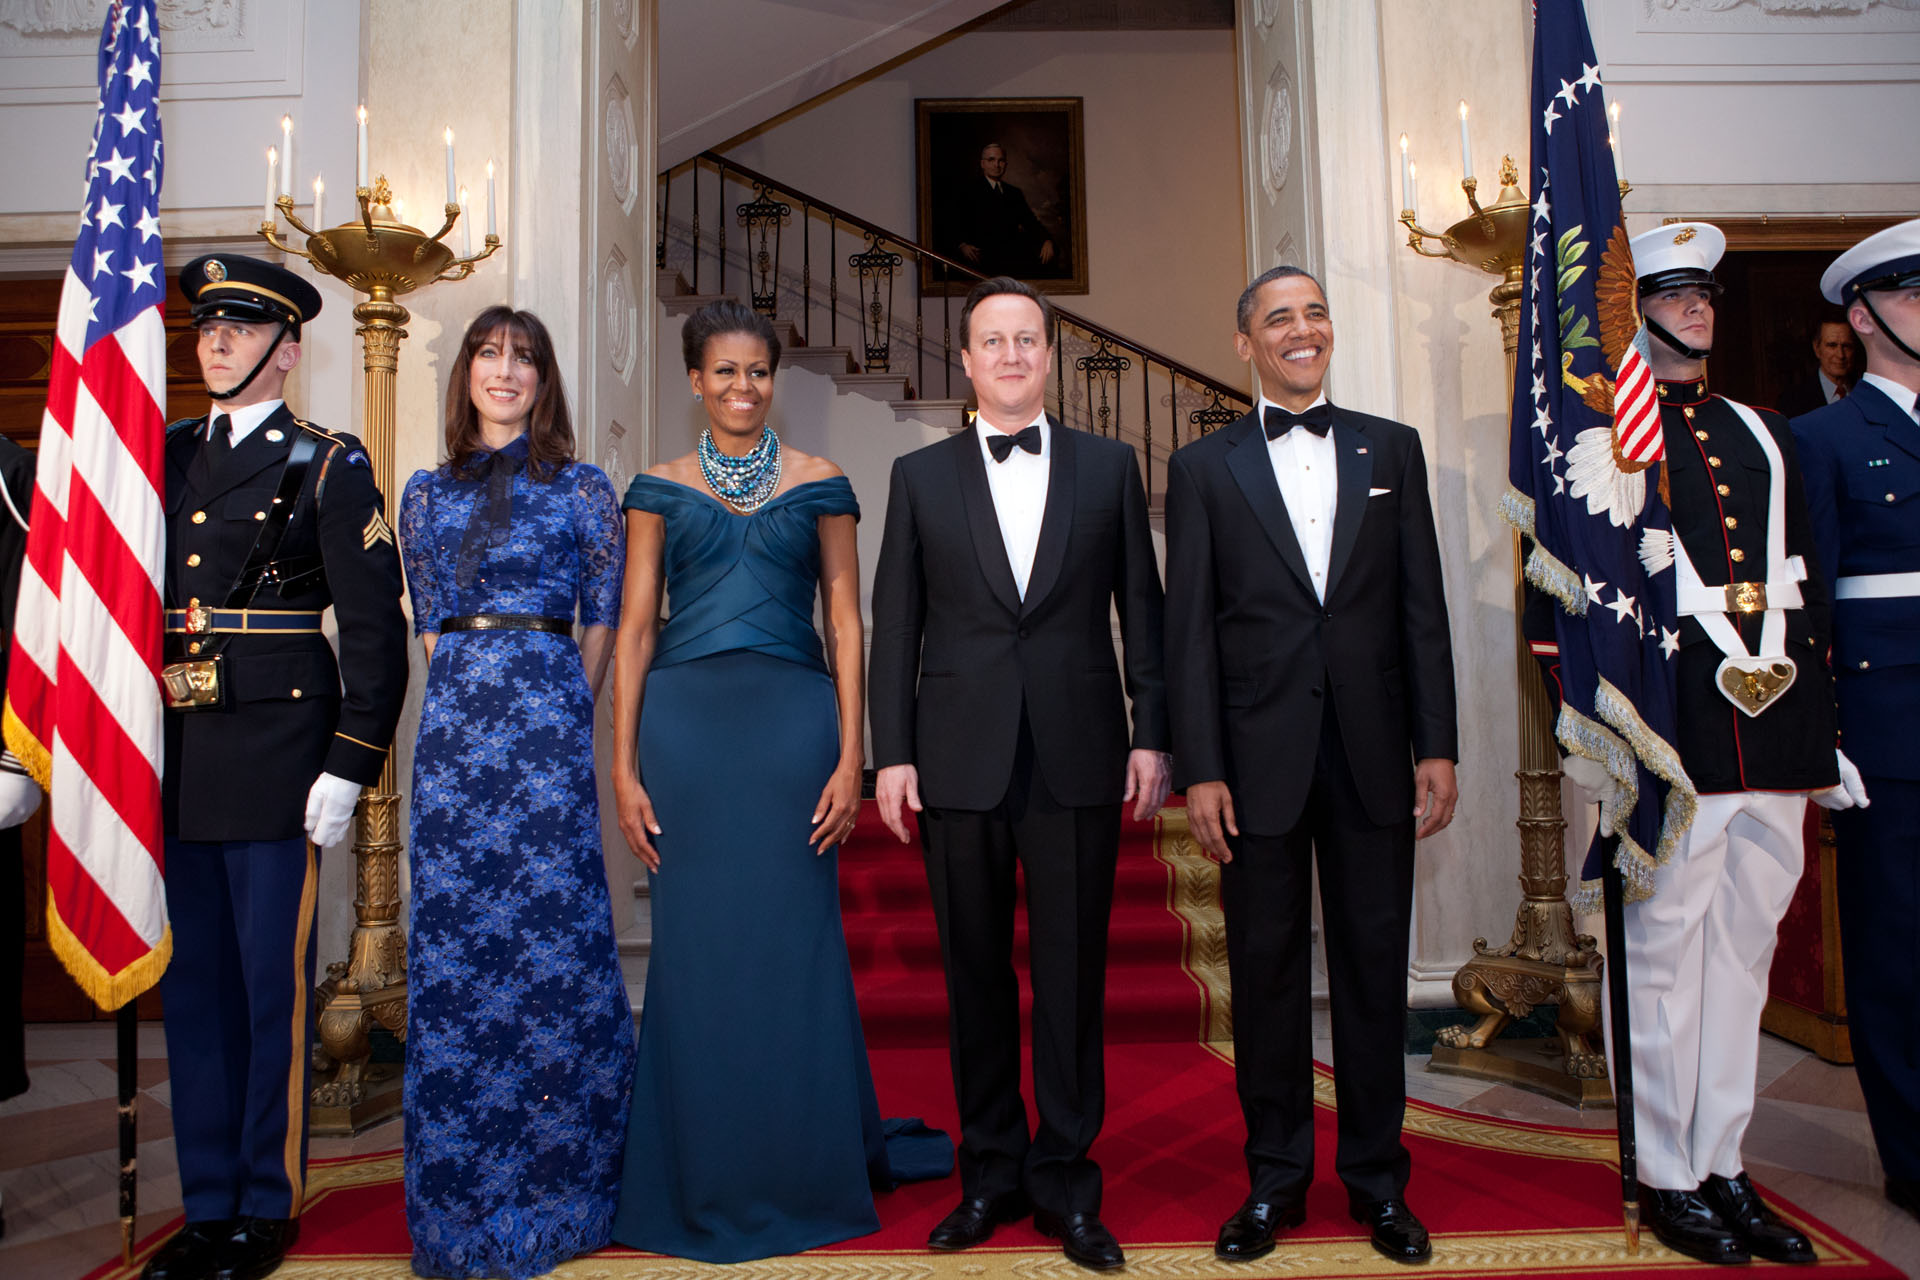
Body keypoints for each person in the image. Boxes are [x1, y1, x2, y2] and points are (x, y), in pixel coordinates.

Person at [609, 299, 945, 1263]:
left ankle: (802, 1166)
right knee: (697, 952)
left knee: (794, 947)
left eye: (758, 371)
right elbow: (635, 631)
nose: (743, 388)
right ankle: (700, 1169)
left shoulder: (824, 481)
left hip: (794, 733)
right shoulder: (654, 487)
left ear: (774, 379)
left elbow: (847, 623)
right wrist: (623, 768)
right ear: (693, 381)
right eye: (724, 371)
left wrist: (853, 754)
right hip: (686, 736)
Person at [869, 275, 1169, 1273]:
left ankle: (1067, 1180)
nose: (1009, 354)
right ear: (965, 360)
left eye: (1026, 339)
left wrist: (1150, 731)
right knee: (974, 975)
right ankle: (990, 1170)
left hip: (1081, 748)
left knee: (1074, 977)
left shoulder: (1109, 465)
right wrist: (893, 751)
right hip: (957, 754)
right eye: (990, 340)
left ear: (1048, 355)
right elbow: (895, 625)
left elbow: (1144, 608)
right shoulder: (919, 477)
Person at [1163, 265, 1457, 1267]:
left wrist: (1441, 743)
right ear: (1245, 344)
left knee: (1376, 976)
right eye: (1279, 317)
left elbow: (1423, 609)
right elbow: (1188, 631)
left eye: (1315, 312)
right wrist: (1200, 766)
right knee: (1269, 974)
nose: (1302, 329)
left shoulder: (1394, 449)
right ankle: (1275, 1178)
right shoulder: (1203, 469)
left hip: (1377, 753)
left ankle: (1379, 1181)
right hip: (1256, 763)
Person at [144, 254, 408, 1280]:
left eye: (241, 328)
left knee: (266, 989)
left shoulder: (327, 465)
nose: (215, 341)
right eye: (207, 326)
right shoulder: (160, 457)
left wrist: (349, 763)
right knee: (194, 991)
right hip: (171, 759)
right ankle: (204, 1199)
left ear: (288, 350)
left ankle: (263, 1200)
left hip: (277, 763)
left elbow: (376, 633)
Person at [1612, 221, 1863, 1265]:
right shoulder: (1616, 434)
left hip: (1779, 724)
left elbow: (1806, 579)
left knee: (1745, 958)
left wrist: (1824, 722)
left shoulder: (1764, 429)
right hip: (1683, 731)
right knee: (1666, 958)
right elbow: (1592, 604)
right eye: (1673, 293)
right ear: (1640, 310)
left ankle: (1724, 1159)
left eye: (1705, 293)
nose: (1696, 308)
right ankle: (1667, 1172)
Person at [397, 307, 634, 1278]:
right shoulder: (420, 493)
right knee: (456, 946)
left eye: (524, 357)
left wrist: (560, 706)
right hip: (454, 739)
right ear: (466, 374)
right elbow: (427, 626)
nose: (506, 370)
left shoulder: (583, 488)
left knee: (551, 940)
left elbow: (606, 618)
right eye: (490, 354)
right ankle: (459, 1200)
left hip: (544, 728)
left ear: (543, 380)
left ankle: (563, 1191)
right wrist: (463, 693)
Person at [1792, 217, 1920, 1226]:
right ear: (1864, 315)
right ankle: (1913, 1151)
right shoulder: (1824, 439)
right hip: (1891, 722)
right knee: (1897, 943)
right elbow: (1813, 600)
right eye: (1913, 296)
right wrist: (1824, 727)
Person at [950, 142, 1057, 279]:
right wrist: (962, 245)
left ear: (1005, 164)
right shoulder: (969, 190)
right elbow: (954, 222)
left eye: (1001, 161)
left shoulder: (1014, 193)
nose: (997, 165)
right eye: (991, 160)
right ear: (983, 164)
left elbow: (1030, 222)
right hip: (980, 257)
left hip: (1009, 257)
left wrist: (1046, 240)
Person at [1776, 311, 1858, 418]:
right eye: (1832, 345)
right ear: (1817, 348)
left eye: (1846, 346)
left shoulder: (1865, 393)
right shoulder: (1792, 401)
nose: (1840, 355)